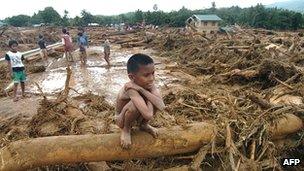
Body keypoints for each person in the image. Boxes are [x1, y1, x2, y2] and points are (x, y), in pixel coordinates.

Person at [115, 53, 165, 149]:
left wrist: (141, 90)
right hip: (121, 120)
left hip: (139, 115)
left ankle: (143, 125)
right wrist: (149, 97)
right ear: (132, 77)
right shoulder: (130, 89)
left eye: (153, 73)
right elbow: (148, 115)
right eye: (146, 75)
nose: (151, 78)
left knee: (153, 99)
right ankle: (126, 130)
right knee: (135, 105)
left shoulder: (148, 85)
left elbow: (161, 106)